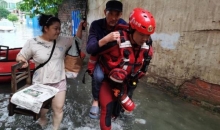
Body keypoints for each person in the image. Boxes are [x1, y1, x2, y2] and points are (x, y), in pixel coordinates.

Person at [16, 14, 86, 130]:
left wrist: (80, 26)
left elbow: (76, 41)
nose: (58, 31)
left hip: (59, 81)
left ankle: (55, 128)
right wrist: (22, 60)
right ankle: (43, 119)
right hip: (40, 83)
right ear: (46, 28)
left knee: (58, 109)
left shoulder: (63, 41)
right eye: (55, 28)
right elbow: (20, 56)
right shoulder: (32, 42)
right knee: (42, 111)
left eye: (60, 28)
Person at [89, 8, 156, 130]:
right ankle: (96, 100)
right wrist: (92, 69)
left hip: (127, 83)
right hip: (108, 82)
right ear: (132, 29)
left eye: (148, 35)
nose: (145, 39)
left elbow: (143, 67)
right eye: (141, 34)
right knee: (107, 110)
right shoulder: (116, 41)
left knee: (118, 112)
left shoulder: (147, 46)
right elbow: (93, 51)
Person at [86, 0, 127, 119]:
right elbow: (89, 49)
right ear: (105, 12)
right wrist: (106, 39)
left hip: (118, 61)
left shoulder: (124, 26)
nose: (114, 18)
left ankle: (121, 101)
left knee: (126, 78)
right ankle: (95, 100)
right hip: (101, 60)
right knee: (98, 76)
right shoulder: (96, 25)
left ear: (120, 15)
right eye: (111, 14)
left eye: (117, 14)